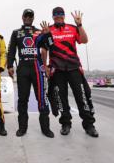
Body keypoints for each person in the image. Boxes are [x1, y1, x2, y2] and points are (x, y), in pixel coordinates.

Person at [38, 7, 99, 137]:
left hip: (74, 67)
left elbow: (84, 40)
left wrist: (80, 25)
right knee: (61, 98)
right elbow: (44, 50)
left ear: (64, 16)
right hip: (57, 69)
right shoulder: (48, 29)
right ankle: (65, 124)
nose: (58, 17)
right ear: (53, 16)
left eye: (60, 14)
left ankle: (89, 125)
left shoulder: (72, 28)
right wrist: (45, 67)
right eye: (56, 15)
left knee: (82, 97)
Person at [7, 9, 54, 138]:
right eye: (26, 16)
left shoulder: (40, 31)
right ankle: (22, 128)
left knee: (42, 98)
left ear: (33, 18)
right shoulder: (16, 32)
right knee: (22, 99)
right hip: (23, 67)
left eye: (30, 16)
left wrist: (48, 35)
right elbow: (11, 50)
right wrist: (10, 65)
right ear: (22, 17)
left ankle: (45, 128)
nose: (28, 18)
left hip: (37, 67)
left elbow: (51, 46)